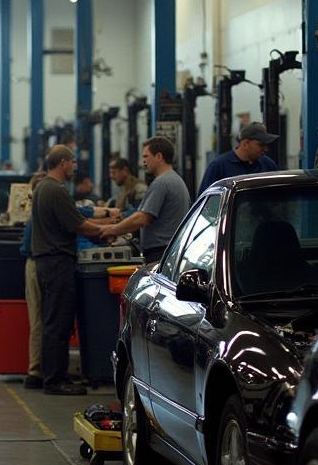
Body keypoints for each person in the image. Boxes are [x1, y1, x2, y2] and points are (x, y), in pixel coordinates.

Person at [28, 145, 109, 395]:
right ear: (63, 163)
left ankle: (51, 375)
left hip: (47, 262)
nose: (75, 166)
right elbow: (78, 225)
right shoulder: (56, 190)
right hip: (57, 262)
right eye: (73, 162)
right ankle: (55, 380)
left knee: (53, 320)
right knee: (58, 322)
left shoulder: (42, 187)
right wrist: (108, 230)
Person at [104, 137, 191, 265]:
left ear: (159, 156)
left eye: (146, 156)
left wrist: (113, 229)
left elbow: (142, 218)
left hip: (161, 254)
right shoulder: (176, 180)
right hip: (170, 251)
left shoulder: (162, 183)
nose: (143, 161)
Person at [198, 121, 278, 193]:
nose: (265, 149)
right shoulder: (219, 166)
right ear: (245, 144)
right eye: (261, 145)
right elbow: (205, 202)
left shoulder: (268, 165)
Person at [19, 173, 46, 384]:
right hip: (37, 264)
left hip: (36, 263)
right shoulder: (37, 214)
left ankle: (38, 368)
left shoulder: (35, 214)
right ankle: (35, 370)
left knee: (40, 317)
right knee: (38, 318)